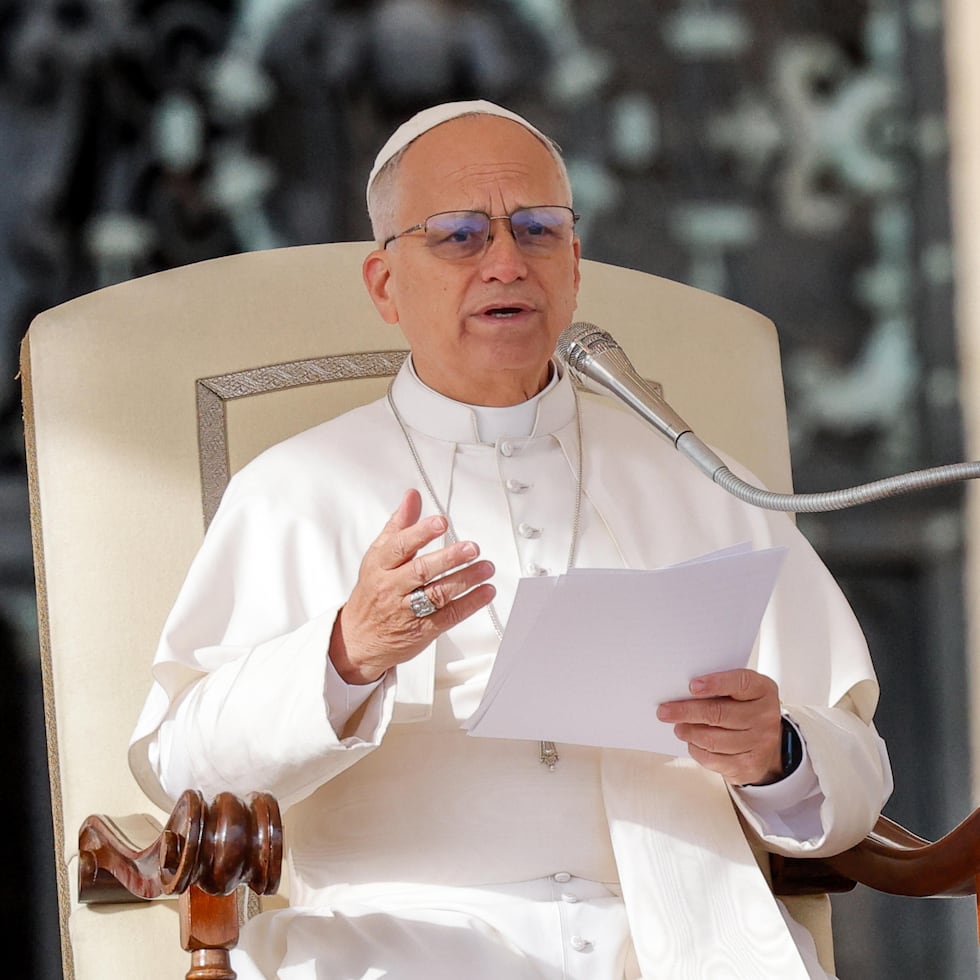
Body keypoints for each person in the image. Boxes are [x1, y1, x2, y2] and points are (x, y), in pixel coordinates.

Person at [129, 100, 892, 979]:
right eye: (458, 235)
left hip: (684, 945)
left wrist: (778, 754)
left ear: (572, 266)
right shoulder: (295, 490)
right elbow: (180, 774)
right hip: (397, 950)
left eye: (537, 231)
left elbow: (857, 774)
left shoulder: (697, 478)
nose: (505, 262)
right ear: (384, 285)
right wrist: (346, 653)